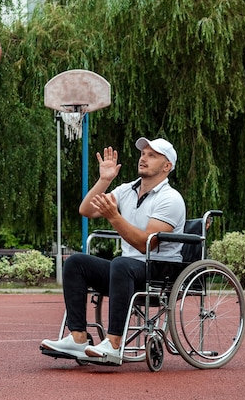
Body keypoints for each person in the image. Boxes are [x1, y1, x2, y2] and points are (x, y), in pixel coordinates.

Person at [41, 137, 185, 364]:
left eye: (152, 155)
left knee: (121, 263)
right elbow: (86, 209)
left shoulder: (171, 199)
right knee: (76, 262)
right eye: (143, 153)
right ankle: (78, 338)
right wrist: (104, 180)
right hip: (127, 270)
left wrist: (114, 217)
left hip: (159, 271)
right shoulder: (127, 189)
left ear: (167, 166)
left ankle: (114, 344)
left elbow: (145, 243)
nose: (143, 158)